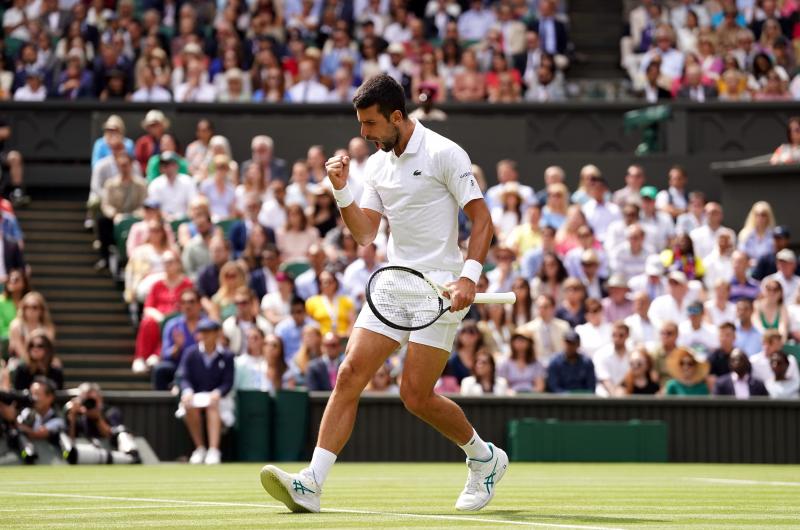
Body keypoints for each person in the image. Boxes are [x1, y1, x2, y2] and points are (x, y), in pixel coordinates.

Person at [261, 75, 507, 514]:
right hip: (394, 284)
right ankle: (311, 484)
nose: (364, 134)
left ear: (397, 116)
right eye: (360, 124)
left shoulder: (444, 153)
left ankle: (484, 457)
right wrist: (341, 190)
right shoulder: (375, 166)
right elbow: (364, 233)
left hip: (440, 288)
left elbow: (482, 219)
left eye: (371, 124)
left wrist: (469, 276)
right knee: (349, 372)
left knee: (415, 396)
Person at [176, 318, 235, 466]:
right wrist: (188, 391)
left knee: (212, 405)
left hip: (219, 399)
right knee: (188, 405)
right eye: (203, 332)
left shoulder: (227, 356)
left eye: (209, 332)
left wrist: (218, 393)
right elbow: (183, 376)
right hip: (196, 397)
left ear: (216, 333)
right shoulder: (190, 353)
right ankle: (200, 448)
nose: (205, 335)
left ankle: (214, 450)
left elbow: (228, 382)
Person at [152, 289, 203, 391]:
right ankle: (162, 405)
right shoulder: (172, 325)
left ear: (199, 304)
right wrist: (177, 347)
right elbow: (165, 354)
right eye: (183, 302)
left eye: (191, 302)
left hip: (201, 368)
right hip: (177, 365)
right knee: (160, 370)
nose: (187, 306)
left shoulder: (207, 325)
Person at [593, 321, 632, 397]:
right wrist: (615, 395)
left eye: (621, 335)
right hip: (605, 394)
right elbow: (604, 379)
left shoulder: (632, 354)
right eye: (614, 335)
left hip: (626, 393)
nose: (617, 338)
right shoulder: (601, 354)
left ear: (627, 336)